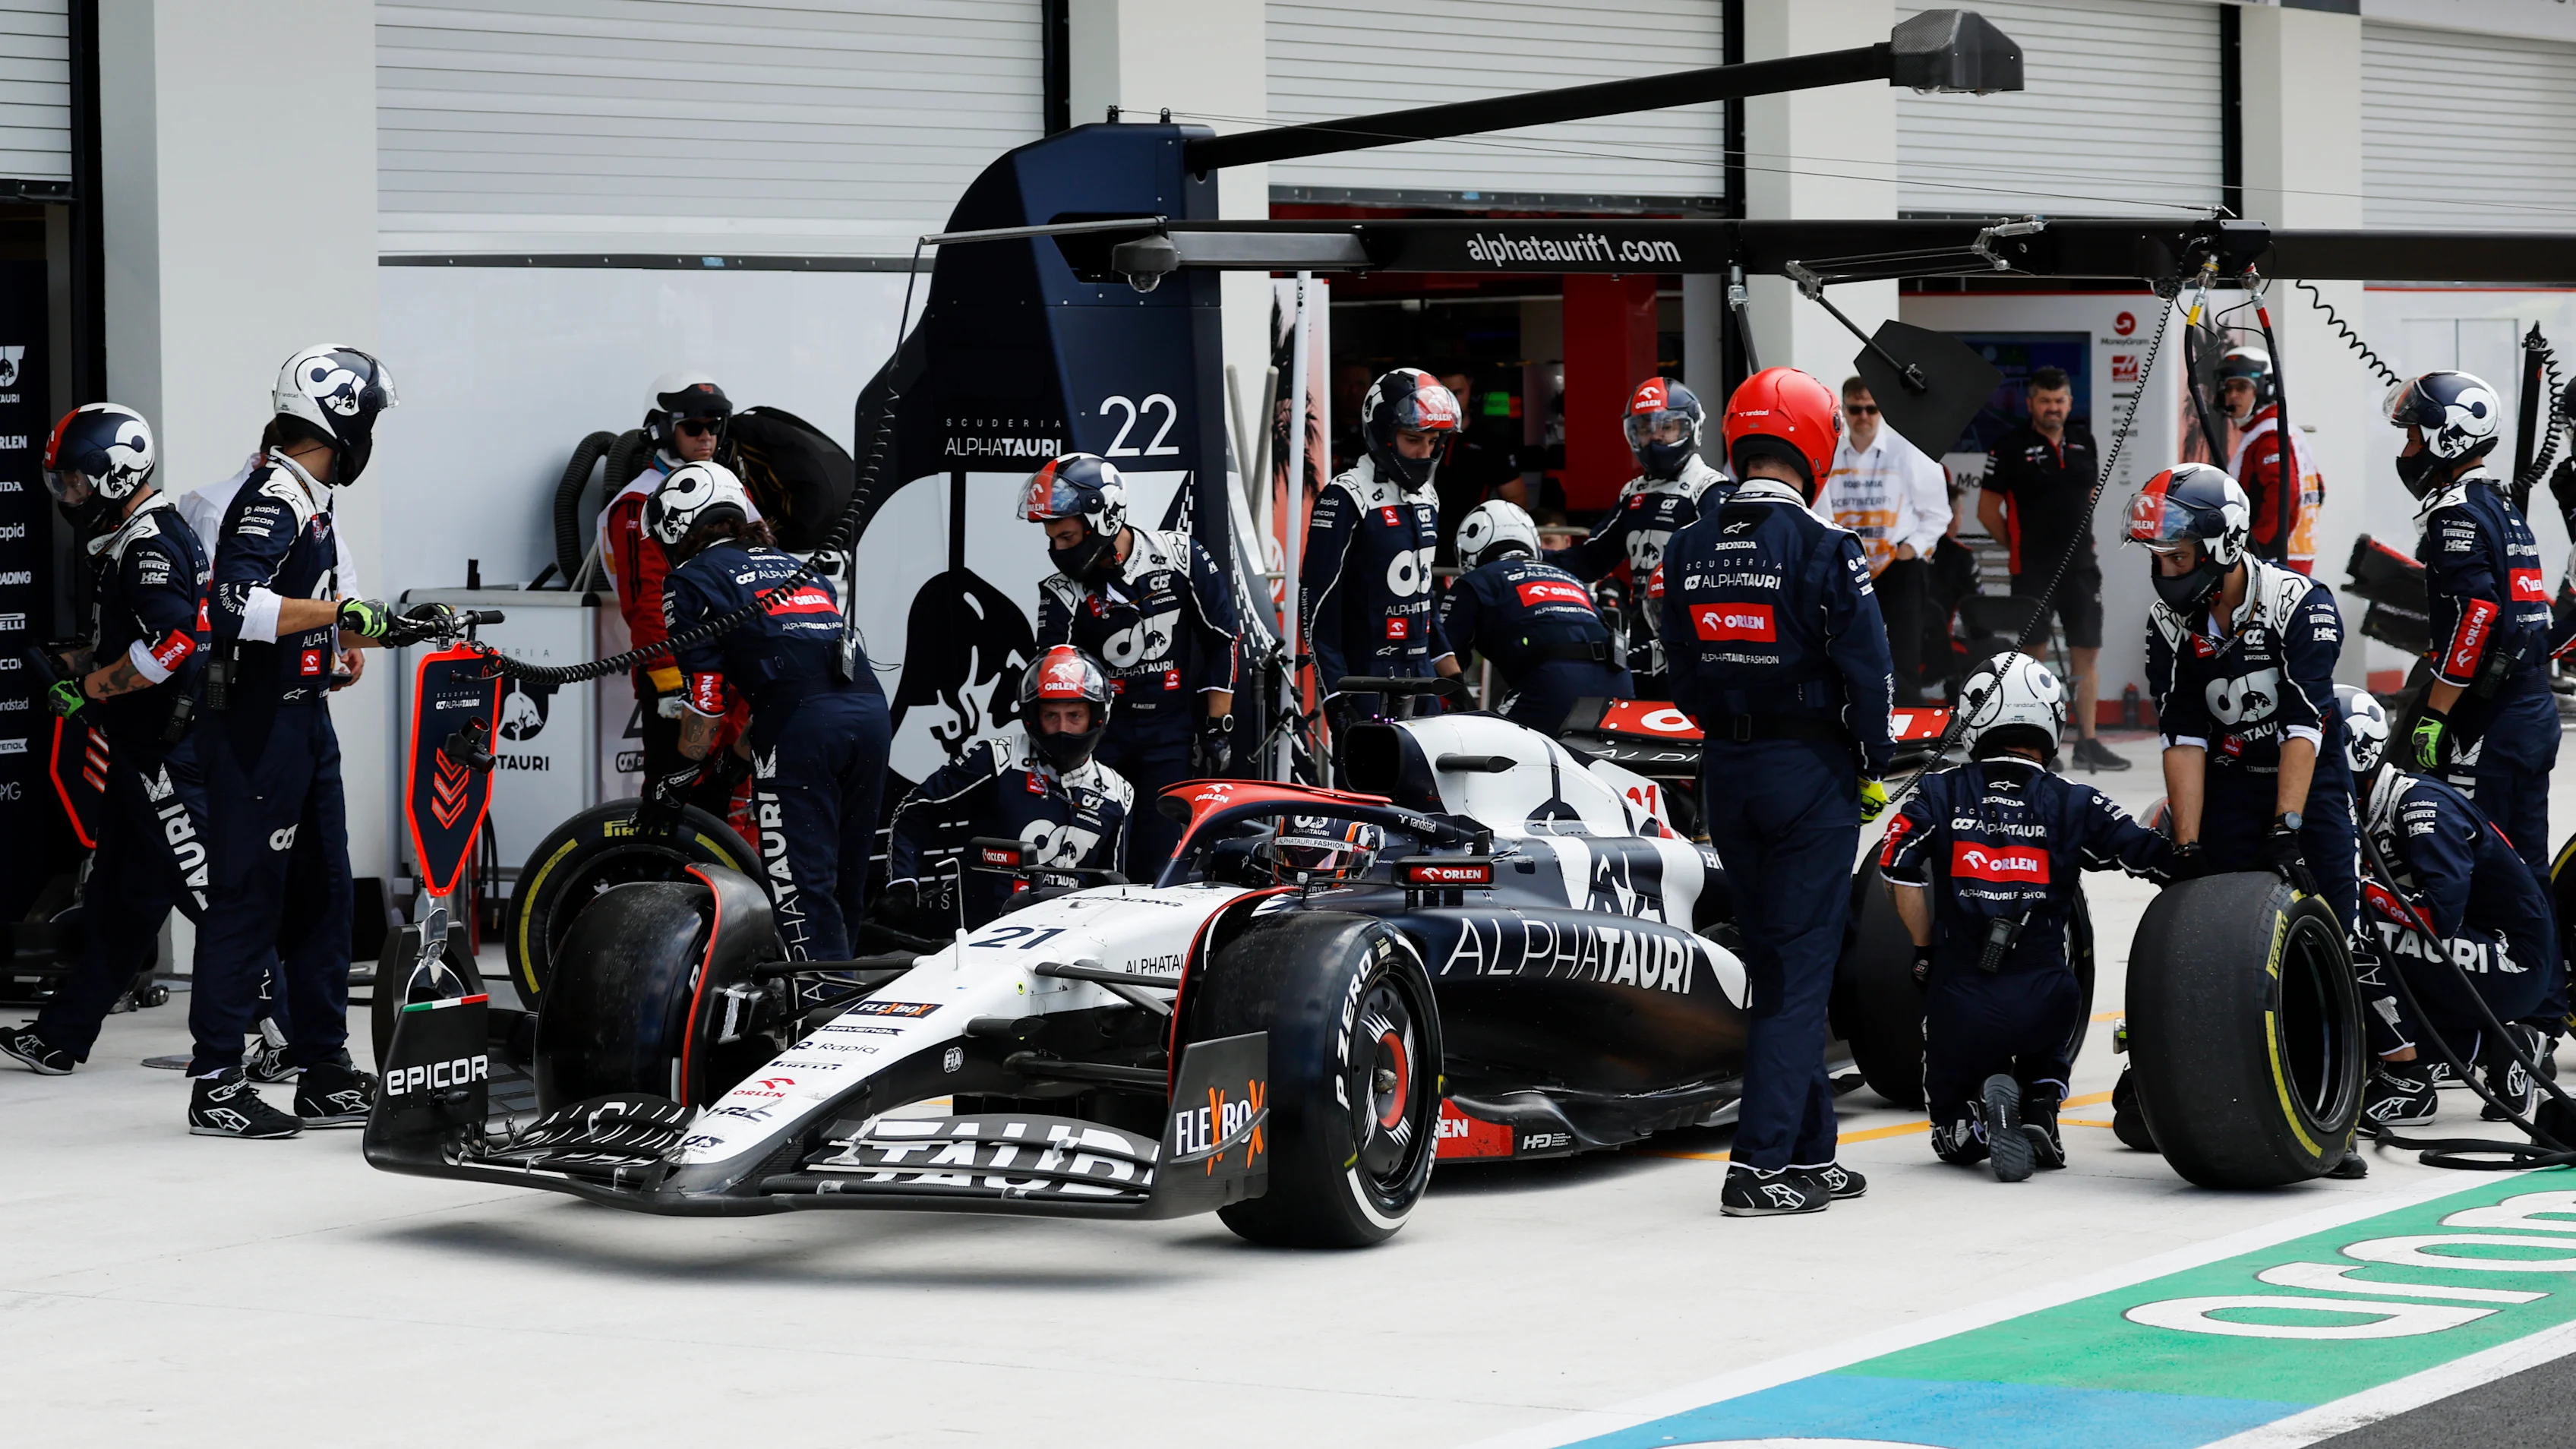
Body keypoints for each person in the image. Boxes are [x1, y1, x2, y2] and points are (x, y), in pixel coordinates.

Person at [1659, 365, 1893, 1217]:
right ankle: (1755, 1168)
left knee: (1777, 964)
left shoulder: (1687, 543)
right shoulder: (1826, 547)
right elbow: (1868, 676)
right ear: (1813, 441)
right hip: (1808, 775)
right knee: (1800, 974)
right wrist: (1870, 758)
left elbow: (1677, 674)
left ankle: (1807, 1154)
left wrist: (1729, 722)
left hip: (1726, 770)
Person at [190, 346, 425, 1138]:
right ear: (346, 423)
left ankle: (324, 1068)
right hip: (258, 732)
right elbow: (230, 607)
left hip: (303, 721)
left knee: (325, 897)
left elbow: (312, 615)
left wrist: (374, 636)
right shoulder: (275, 495)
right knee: (247, 902)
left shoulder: (311, 497)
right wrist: (333, 619)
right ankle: (217, 1083)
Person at [1880, 652, 2172, 1182]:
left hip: (1962, 995)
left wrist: (1925, 950)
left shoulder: (1939, 791)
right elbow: (2150, 855)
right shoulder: (2076, 799)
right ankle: (2041, 1111)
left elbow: (1895, 867)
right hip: (2046, 994)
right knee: (2050, 1037)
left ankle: (1972, 1127)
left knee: (1946, 1129)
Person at [3, 406, 212, 1076]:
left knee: (211, 896)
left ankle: (289, 1037)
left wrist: (91, 688)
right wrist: (85, 664)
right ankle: (62, 1036)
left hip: (163, 755)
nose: (67, 496)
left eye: (75, 482)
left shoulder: (148, 543)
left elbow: (177, 644)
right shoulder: (131, 535)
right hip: (138, 749)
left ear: (115, 475)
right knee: (123, 901)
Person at [655, 461, 888, 962]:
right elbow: (800, 676)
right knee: (847, 877)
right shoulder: (794, 565)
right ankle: (848, 1003)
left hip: (801, 728)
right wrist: (736, 763)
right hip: (869, 715)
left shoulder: (689, 579)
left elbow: (708, 701)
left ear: (676, 526)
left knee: (801, 889)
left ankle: (819, 1010)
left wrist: (683, 774)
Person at [2129, 462, 2357, 933]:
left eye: (2177, 558)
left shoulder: (2298, 602)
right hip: (2230, 778)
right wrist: (2188, 846)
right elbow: (2182, 733)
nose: (2164, 571)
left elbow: (2303, 721)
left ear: (2224, 546)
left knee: (2337, 923)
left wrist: (2286, 826)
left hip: (2312, 779)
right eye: (2158, 558)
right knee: (2221, 920)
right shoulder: (2167, 622)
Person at [2340, 687, 2559, 1134]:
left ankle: (2409, 1084)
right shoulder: (2360, 805)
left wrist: (2361, 889)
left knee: (2358, 924)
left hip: (2513, 959)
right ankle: (2504, 1050)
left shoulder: (2419, 805)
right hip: (2472, 950)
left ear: (2354, 752)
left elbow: (2440, 917)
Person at [1027, 452, 1237, 874]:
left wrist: (1218, 729)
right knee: (1091, 865)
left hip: (1170, 734)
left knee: (1158, 861)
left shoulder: (1179, 554)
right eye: (1052, 539)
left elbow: (1222, 638)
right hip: (1103, 738)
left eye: (1067, 537)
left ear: (1103, 518)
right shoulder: (1060, 591)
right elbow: (1053, 675)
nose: (1057, 549)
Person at [2386, 371, 2556, 878]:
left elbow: (2477, 616)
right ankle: (2541, 959)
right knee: (2527, 868)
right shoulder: (2501, 505)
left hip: (2492, 720)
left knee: (2483, 868)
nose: (2408, 449)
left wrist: (2436, 713)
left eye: (2414, 435)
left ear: (2448, 435)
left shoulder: (2455, 514)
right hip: (2531, 711)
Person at [883, 645, 1133, 930]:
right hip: (980, 940)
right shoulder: (995, 759)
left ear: (1097, 716)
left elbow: (1117, 891)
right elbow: (916, 810)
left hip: (1066, 943)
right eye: (1051, 716)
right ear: (1032, 717)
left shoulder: (1118, 794)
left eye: (1074, 716)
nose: (1062, 728)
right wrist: (902, 885)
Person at [600, 371, 751, 816]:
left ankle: (735, 884)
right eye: (693, 427)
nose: (707, 436)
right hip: (679, 677)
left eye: (715, 426)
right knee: (674, 801)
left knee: (735, 796)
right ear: (665, 429)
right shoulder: (637, 503)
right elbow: (646, 602)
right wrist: (668, 680)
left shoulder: (730, 488)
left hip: (737, 671)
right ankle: (664, 883)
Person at [1976, 368, 2129, 771]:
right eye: (2045, 401)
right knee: (2032, 659)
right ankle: (2041, 745)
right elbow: (1987, 511)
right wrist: (2018, 547)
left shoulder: (2084, 440)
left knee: (2087, 652)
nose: (2053, 408)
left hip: (2081, 568)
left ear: (2069, 402)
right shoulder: (2008, 447)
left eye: (2059, 400)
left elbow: (2087, 496)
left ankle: (2089, 742)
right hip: (2032, 570)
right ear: (2030, 404)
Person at [1304, 368, 1462, 747]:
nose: (1425, 453)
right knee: (1371, 803)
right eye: (1413, 440)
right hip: (1368, 680)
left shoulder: (1429, 497)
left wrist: (1453, 679)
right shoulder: (1344, 497)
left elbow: (1425, 597)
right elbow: (1317, 611)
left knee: (1433, 798)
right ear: (1382, 433)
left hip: (1423, 678)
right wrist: (1336, 698)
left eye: (1434, 441)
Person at [1551, 377, 1729, 699]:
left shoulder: (1711, 491)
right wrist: (1530, 561)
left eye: (1667, 427)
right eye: (1645, 429)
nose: (1655, 438)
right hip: (1644, 636)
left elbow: (1727, 573)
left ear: (1692, 429)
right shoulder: (1634, 493)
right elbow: (1591, 560)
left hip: (1698, 638)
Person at [1441, 499, 1631, 734]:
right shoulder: (1569, 577)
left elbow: (1444, 654)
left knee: (1485, 749)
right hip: (1619, 684)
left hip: (1553, 684)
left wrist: (1462, 707)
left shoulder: (1475, 581)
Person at [1822, 377, 1950, 705]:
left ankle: (1906, 728)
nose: (1863, 416)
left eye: (1871, 408)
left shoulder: (1907, 451)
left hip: (1898, 568)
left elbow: (1937, 513)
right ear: (1844, 410)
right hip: (1845, 568)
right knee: (1842, 647)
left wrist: (1912, 548)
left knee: (1903, 653)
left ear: (1881, 410)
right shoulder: (1830, 453)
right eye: (1855, 409)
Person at [2217, 346, 2323, 573]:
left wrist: (2254, 547)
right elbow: (2319, 488)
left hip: (2273, 562)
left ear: (2265, 389)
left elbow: (2284, 495)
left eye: (2242, 387)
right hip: (2294, 556)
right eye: (2228, 388)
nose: (2233, 395)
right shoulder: (2288, 431)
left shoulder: (2269, 437)